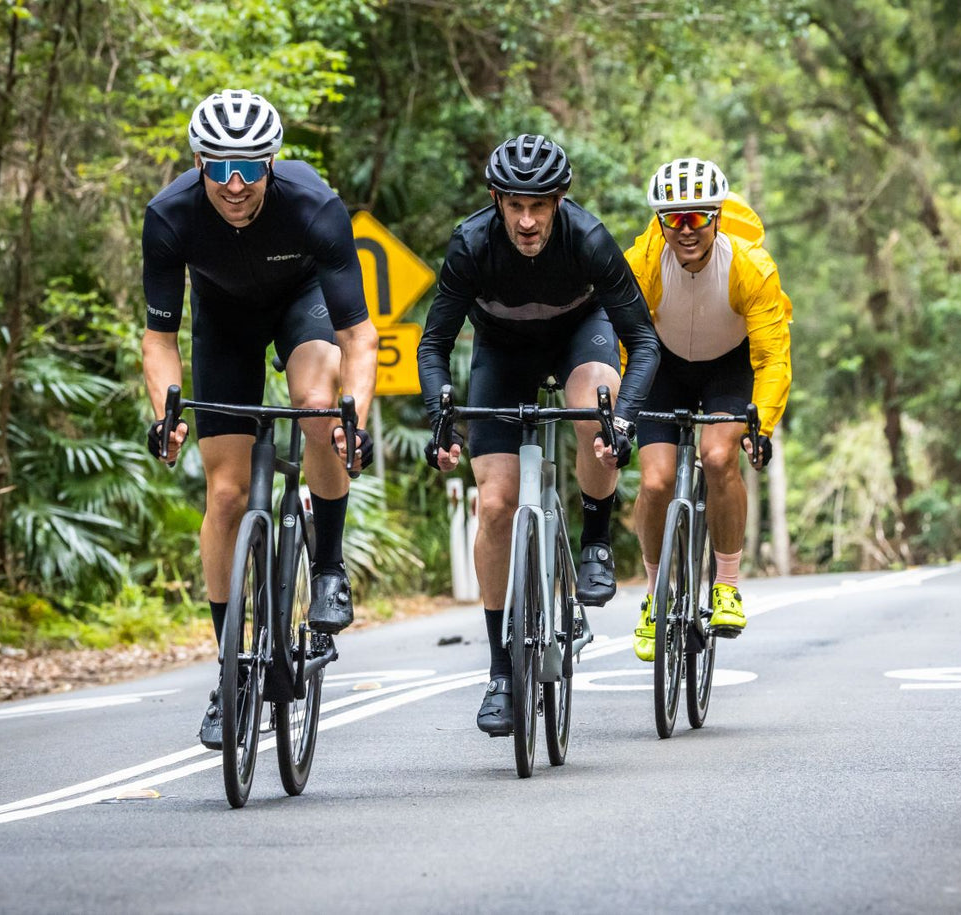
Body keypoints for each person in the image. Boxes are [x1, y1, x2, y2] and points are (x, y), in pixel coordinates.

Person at [140, 90, 379, 747]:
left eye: (249, 167)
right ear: (198, 163)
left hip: (303, 302)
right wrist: (166, 412)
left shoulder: (313, 206)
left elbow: (358, 335)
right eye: (219, 168)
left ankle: (327, 568)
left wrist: (354, 419)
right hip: (223, 320)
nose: (235, 184)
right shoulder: (169, 216)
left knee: (315, 406)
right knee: (225, 494)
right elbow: (158, 339)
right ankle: (231, 674)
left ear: (271, 163)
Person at [418, 134, 661, 736]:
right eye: (515, 206)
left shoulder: (589, 239)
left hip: (581, 337)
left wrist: (623, 420)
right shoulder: (472, 244)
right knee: (495, 504)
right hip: (502, 352)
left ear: (559, 201)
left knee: (594, 405)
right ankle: (501, 671)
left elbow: (644, 342)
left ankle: (595, 541)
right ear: (496, 200)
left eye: (540, 206)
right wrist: (441, 417)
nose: (527, 221)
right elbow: (434, 344)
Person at [624, 158, 792, 660]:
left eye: (698, 217)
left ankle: (726, 585)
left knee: (719, 457)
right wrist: (622, 414)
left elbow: (772, 357)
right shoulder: (642, 264)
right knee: (656, 481)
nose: (686, 229)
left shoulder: (750, 266)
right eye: (674, 218)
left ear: (716, 217)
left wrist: (763, 426)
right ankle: (654, 597)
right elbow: (622, 343)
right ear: (660, 222)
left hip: (728, 366)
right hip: (662, 365)